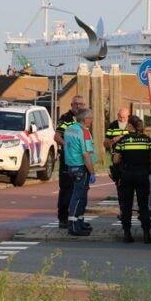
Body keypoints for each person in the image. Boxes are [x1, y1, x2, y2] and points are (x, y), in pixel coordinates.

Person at [113, 115, 151, 244]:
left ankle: (127, 234)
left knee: (127, 205)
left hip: (127, 175)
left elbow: (115, 159)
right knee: (143, 205)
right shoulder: (147, 140)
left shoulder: (123, 141)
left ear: (130, 126)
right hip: (142, 174)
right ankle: (146, 234)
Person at [64, 107, 97, 236]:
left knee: (81, 196)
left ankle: (79, 221)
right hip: (81, 167)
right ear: (85, 119)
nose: (92, 120)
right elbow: (86, 154)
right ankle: (73, 225)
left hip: (71, 166)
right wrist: (92, 172)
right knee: (78, 197)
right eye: (91, 118)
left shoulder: (69, 129)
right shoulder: (84, 132)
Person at [54, 95, 85, 228]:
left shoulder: (84, 119)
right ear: (71, 105)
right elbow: (57, 137)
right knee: (66, 189)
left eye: (81, 104)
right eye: (76, 104)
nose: (78, 106)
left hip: (80, 160)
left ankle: (76, 218)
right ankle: (63, 218)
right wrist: (69, 147)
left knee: (78, 189)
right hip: (67, 160)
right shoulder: (65, 119)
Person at [104, 107, 130, 208]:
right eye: (120, 117)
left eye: (124, 117)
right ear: (117, 115)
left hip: (130, 159)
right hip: (116, 159)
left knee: (130, 184)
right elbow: (105, 143)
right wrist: (113, 140)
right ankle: (122, 208)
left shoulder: (131, 125)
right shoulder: (113, 125)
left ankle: (129, 207)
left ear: (128, 116)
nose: (122, 120)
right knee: (119, 184)